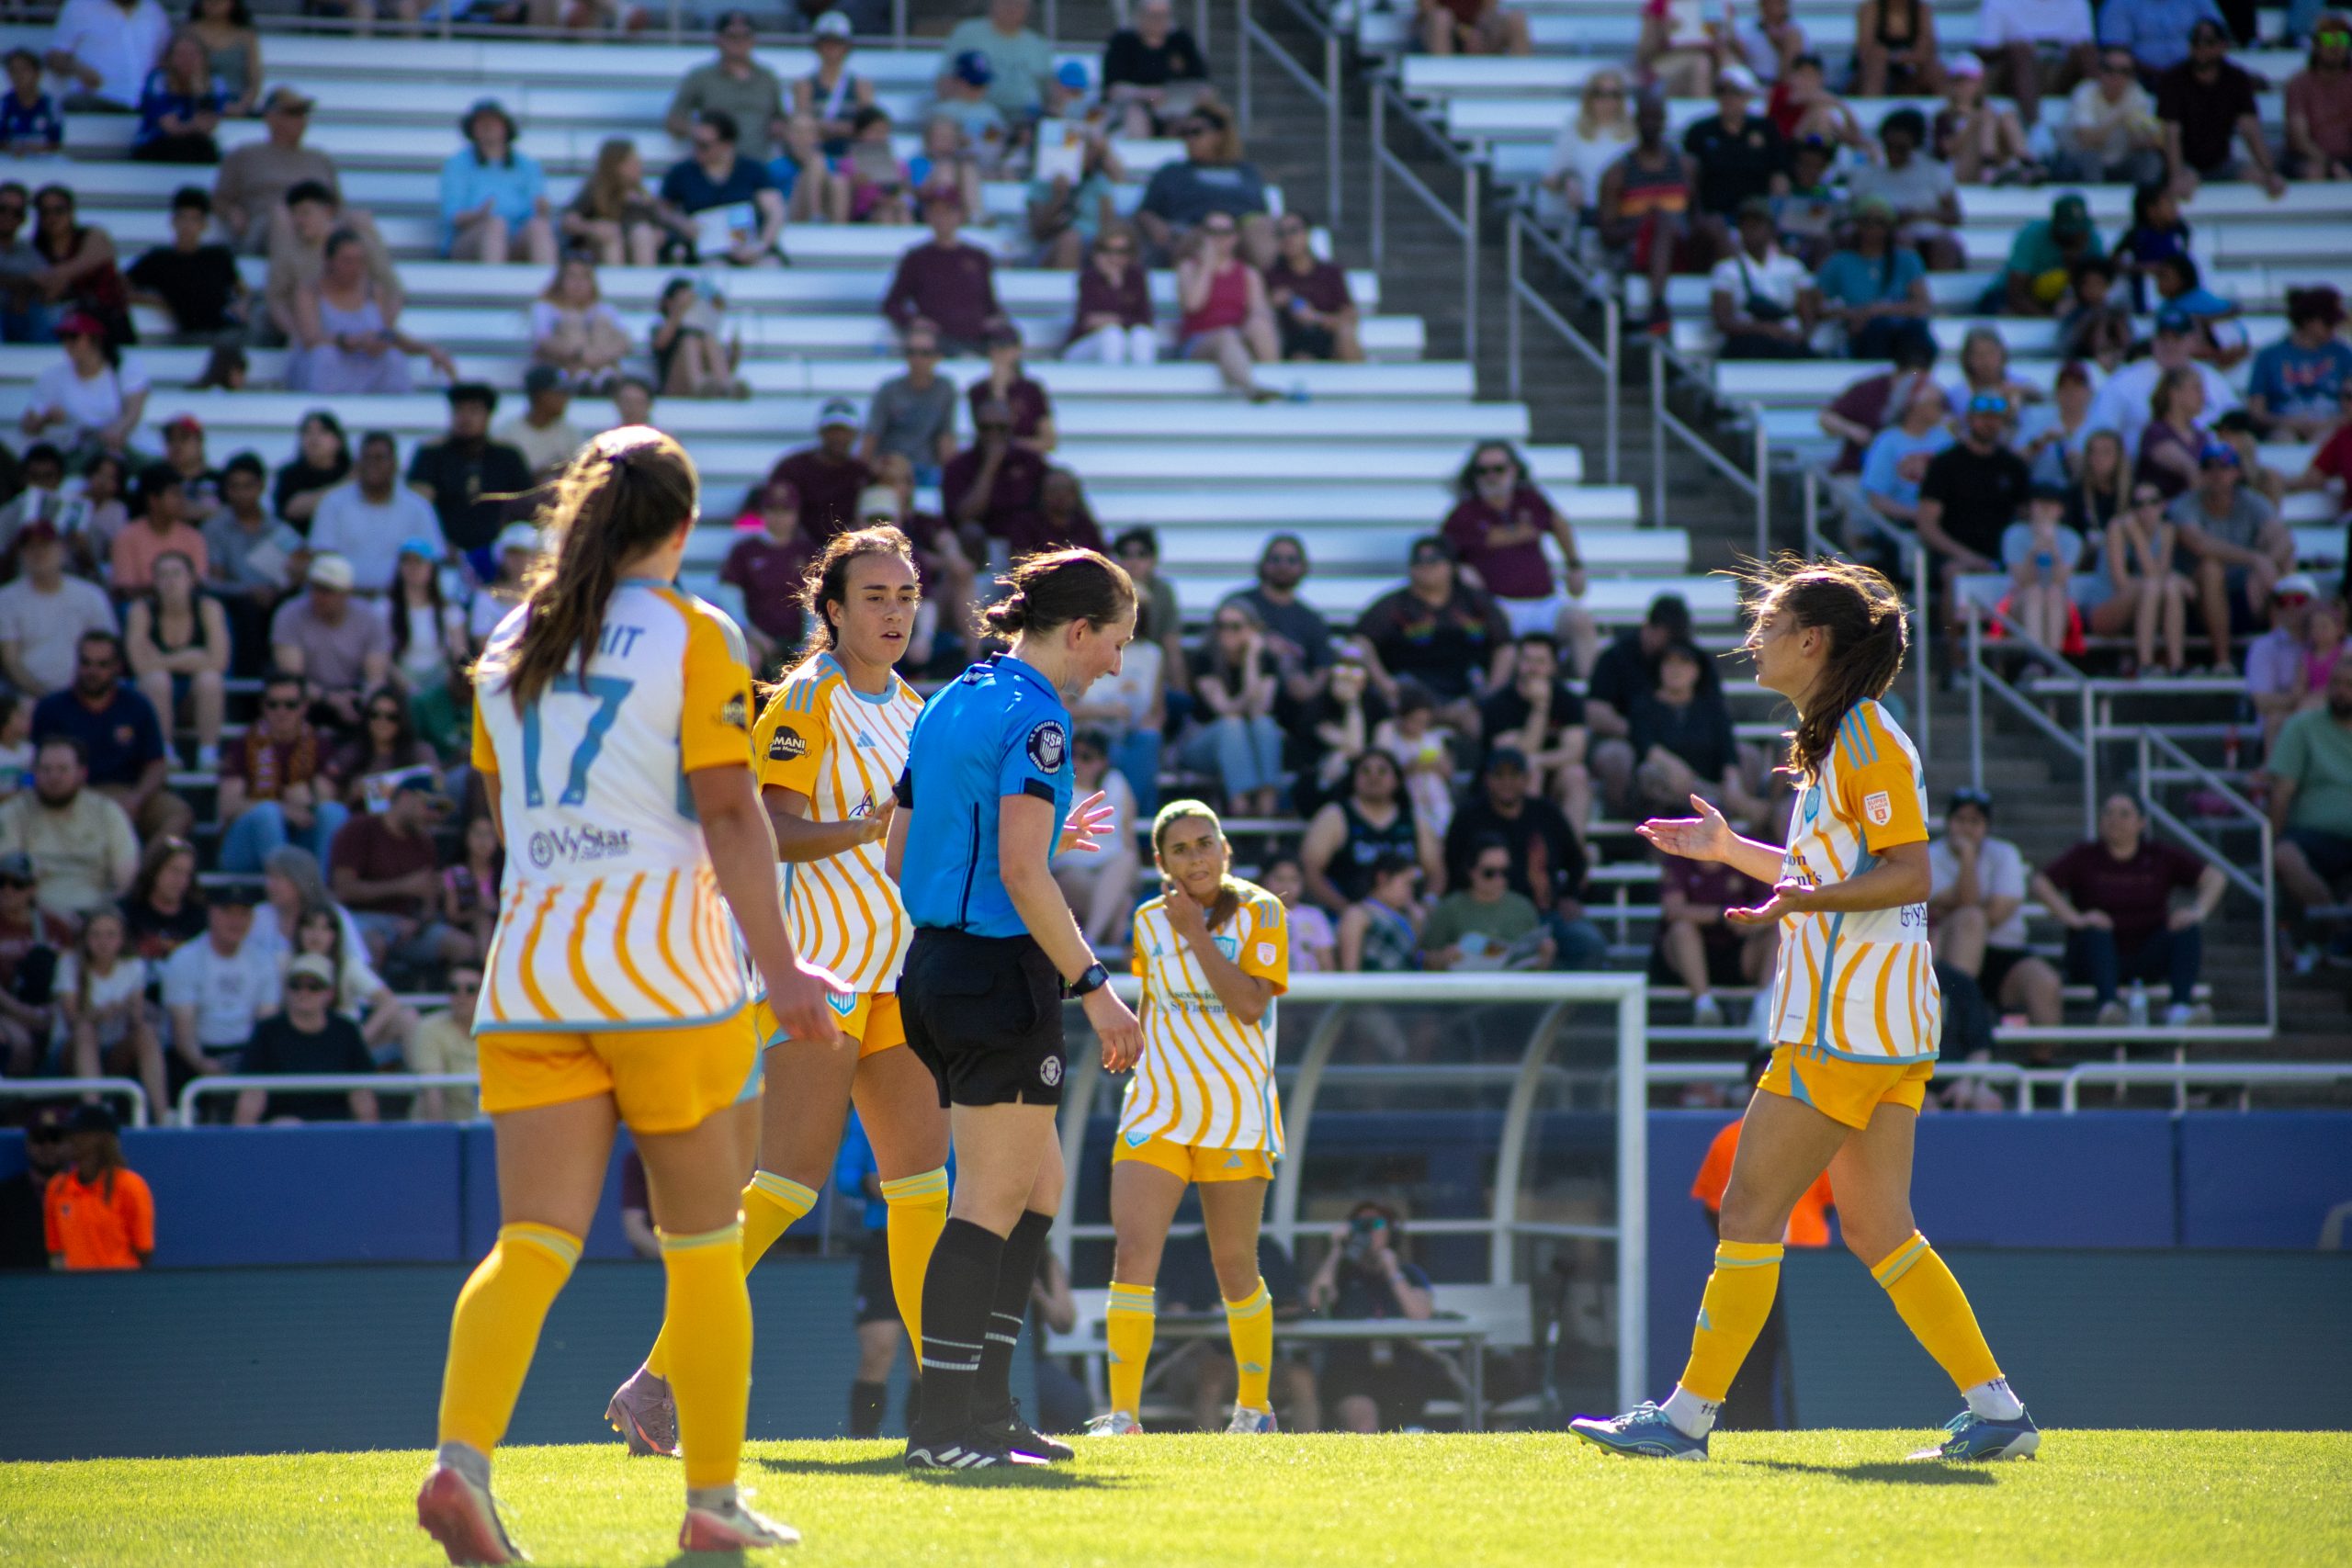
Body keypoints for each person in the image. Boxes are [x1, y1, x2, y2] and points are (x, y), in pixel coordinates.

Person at [416, 429, 841, 1561]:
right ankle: (712, 1504)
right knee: (705, 1249)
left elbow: (509, 830)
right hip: (668, 979)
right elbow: (732, 811)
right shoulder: (695, 634)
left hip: (532, 973)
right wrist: (785, 972)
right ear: (685, 526)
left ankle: (460, 1465)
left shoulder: (509, 640)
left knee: (530, 1245)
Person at [1575, 557, 2039, 1464]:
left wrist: (1796, 903)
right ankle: (1998, 1413)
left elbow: (1910, 873)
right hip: (1881, 1026)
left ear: (1812, 641)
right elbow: (1839, 876)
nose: (1755, 639)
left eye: (1770, 621)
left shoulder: (1862, 734)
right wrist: (1729, 850)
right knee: (1877, 1228)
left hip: (1845, 1026)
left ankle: (1683, 1421)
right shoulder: (1845, 739)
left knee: (1748, 1208)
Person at [606, 525, 953, 1461]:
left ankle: (951, 1411)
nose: (894, 611)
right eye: (874, 596)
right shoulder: (808, 695)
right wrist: (864, 827)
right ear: (831, 609)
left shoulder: (917, 706)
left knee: (923, 1193)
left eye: (906, 594)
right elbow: (768, 830)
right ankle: (654, 1380)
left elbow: (912, 848)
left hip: (899, 977)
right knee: (783, 1192)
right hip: (822, 975)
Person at [886, 547, 1142, 1471]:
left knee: (1037, 1190)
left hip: (936, 967)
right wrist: (1096, 989)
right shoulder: (1037, 717)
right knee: (989, 1204)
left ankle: (987, 1413)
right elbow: (1024, 874)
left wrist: (1031, 833)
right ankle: (940, 1429)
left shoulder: (952, 697)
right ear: (1078, 632)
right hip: (998, 975)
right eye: (1115, 643)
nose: (1116, 662)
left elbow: (900, 848)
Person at [1087, 799, 1291, 1437]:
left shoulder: (1262, 910)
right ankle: (1124, 1417)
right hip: (1157, 1108)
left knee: (1234, 1264)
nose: (1196, 856)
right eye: (1181, 848)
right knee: (1131, 1252)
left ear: (1225, 848)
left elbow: (1250, 1004)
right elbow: (1155, 1004)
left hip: (1235, 1114)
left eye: (1206, 843)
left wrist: (1198, 933)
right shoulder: (1148, 921)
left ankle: (1254, 1409)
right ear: (1160, 861)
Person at [1687, 1051, 1833, 1428]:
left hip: (1807, 1267)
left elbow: (1830, 1202)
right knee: (1748, 1361)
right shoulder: (1729, 1139)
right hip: (1754, 1262)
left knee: (1813, 1363)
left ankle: (1818, 1433)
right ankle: (1750, 1433)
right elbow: (1713, 1207)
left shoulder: (1817, 1135)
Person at [2032, 791, 2223, 1026]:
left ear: (2141, 822)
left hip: (2147, 954)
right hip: (2095, 956)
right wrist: (2076, 919)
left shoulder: (2159, 855)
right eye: (2108, 813)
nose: (2115, 820)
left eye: (2124, 814)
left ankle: (2180, 1009)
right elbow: (2040, 883)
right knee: (2096, 930)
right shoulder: (2084, 856)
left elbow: (2215, 877)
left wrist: (2198, 911)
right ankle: (2109, 1009)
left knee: (2187, 928)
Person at [1443, 745, 1605, 965]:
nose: (1507, 782)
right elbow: (1453, 867)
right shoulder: (1468, 818)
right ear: (1487, 779)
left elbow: (1576, 860)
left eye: (1514, 775)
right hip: (1485, 914)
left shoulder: (1545, 813)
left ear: (1527, 778)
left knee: (1589, 943)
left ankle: (1564, 1000)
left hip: (1544, 916)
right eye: (1499, 775)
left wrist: (1571, 896)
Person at [1927, 787, 2063, 1046]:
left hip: (2004, 953)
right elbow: (1972, 910)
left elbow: (1997, 913)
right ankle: (1960, 1044)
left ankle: (2043, 1071)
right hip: (1950, 956)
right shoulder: (1931, 855)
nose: (1966, 828)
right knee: (1970, 922)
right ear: (1948, 823)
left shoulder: (2005, 854)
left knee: (2045, 981)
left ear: (1986, 826)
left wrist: (1954, 904)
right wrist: (1968, 859)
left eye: (1974, 821)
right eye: (1960, 820)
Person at [1306, 1202, 1446, 1432]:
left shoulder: (1408, 1274)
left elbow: (1421, 1316)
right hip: (1351, 1367)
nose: (1369, 1230)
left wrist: (1391, 1271)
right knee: (1366, 1424)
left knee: (1404, 1429)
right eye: (1361, 1225)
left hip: (1400, 1366)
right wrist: (1336, 1251)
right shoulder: (1341, 1272)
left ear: (1391, 1232)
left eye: (1378, 1224)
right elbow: (1315, 1302)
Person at [1356, 537, 1511, 739]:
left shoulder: (1475, 601)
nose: (1425, 567)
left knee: (1482, 720)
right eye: (1418, 562)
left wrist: (1492, 690)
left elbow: (1504, 645)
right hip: (1411, 692)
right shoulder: (1394, 605)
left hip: (1467, 692)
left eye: (1434, 561)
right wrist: (1387, 686)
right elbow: (1361, 641)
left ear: (1452, 566)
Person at [32, 633, 180, 842]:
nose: (93, 671)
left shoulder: (137, 705)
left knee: (177, 814)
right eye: (86, 663)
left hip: (130, 790)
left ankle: (146, 872)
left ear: (117, 667)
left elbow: (156, 764)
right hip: (75, 793)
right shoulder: (51, 708)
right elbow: (38, 765)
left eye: (102, 664)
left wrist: (137, 797)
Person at [2170, 442, 2293, 673]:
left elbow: (2283, 538)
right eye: (2209, 467)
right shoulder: (2185, 505)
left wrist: (2267, 563)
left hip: (2248, 593)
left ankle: (2285, 658)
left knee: (2285, 558)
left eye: (2224, 467)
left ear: (2237, 472)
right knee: (2211, 569)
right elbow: (2199, 544)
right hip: (2196, 602)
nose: (2217, 474)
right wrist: (2255, 560)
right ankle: (2222, 662)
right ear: (2201, 473)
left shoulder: (2252, 502)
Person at [217, 671, 350, 874]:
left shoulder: (320, 744)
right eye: (273, 704)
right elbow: (227, 806)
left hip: (301, 837)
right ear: (263, 706)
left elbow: (330, 799)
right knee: (267, 813)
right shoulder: (242, 743)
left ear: (304, 707)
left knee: (333, 812)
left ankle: (319, 896)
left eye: (290, 705)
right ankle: (284, 895)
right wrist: (283, 809)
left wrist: (311, 800)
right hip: (247, 847)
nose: (281, 711)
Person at [2267, 650, 2352, 965]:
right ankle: (2342, 930)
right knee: (2283, 856)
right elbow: (2282, 791)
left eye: (2349, 684)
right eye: (2336, 683)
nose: (2341, 691)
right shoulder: (2302, 728)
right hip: (2312, 835)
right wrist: (2274, 838)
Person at [0, 738, 139, 927]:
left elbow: (126, 876)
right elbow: (7, 873)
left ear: (82, 773)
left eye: (63, 769)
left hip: (95, 920)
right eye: (46, 769)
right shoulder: (13, 813)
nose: (54, 777)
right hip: (34, 920)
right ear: (34, 772)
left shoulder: (107, 812)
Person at [407, 386, 536, 572]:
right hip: (441, 557)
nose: (465, 418)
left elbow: (525, 507)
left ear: (488, 415)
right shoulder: (431, 455)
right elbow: (418, 508)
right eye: (459, 410)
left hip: (498, 559)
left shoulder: (508, 457)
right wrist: (441, 546)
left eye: (474, 410)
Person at [1599, 94, 1695, 333]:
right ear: (1636, 121)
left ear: (1665, 121)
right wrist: (1646, 223)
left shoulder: (1685, 166)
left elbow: (1696, 216)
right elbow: (1607, 234)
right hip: (1639, 251)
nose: (1651, 124)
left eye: (1657, 117)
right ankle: (1657, 305)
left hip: (1683, 248)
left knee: (1714, 226)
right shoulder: (1618, 173)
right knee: (1661, 221)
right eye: (1646, 118)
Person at [2158, 19, 2288, 197]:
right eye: (2196, 42)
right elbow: (2171, 132)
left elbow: (2249, 128)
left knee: (2262, 180)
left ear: (2223, 46)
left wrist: (2269, 173)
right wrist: (2176, 175)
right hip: (2185, 164)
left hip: (2221, 162)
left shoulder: (2236, 80)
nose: (2202, 47)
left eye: (2209, 42)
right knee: (2183, 186)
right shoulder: (2173, 80)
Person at [160, 884, 274, 1085]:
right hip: (198, 1054)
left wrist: (252, 1063)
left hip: (247, 1054)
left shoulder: (263, 961)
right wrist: (201, 1063)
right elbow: (183, 1030)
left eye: (244, 914)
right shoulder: (185, 959)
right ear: (211, 914)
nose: (236, 921)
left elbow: (266, 1023)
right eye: (229, 913)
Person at [1182, 601, 1286, 818]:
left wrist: (1251, 660)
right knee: (1232, 724)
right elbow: (1227, 709)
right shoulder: (1205, 658)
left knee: (1264, 724)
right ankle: (1240, 806)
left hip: (1252, 743)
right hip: (1204, 744)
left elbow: (1261, 708)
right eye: (1221, 625)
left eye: (1236, 626)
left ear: (1253, 629)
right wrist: (1251, 662)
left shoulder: (1265, 659)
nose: (1227, 632)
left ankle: (1268, 802)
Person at [124, 550, 227, 771]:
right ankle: (164, 752)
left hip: (193, 700)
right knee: (157, 680)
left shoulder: (209, 608)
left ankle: (208, 753)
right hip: (153, 697)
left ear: (191, 579)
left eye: (176, 573)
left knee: (210, 679)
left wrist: (161, 659)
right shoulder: (141, 610)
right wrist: (191, 657)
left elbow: (219, 661)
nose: (170, 581)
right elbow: (139, 666)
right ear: (154, 582)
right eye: (162, 575)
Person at [58, 908, 163, 1122]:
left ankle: (163, 1115)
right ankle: (94, 1113)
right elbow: (71, 1021)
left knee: (146, 1033)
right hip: (70, 1052)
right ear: (85, 938)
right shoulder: (68, 963)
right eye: (95, 934)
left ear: (122, 939)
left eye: (110, 935)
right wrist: (96, 1016)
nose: (102, 942)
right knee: (85, 1032)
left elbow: (136, 1020)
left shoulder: (134, 967)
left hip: (115, 1052)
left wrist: (128, 1010)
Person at [1137, 107, 1275, 268]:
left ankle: (1273, 286)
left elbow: (1261, 211)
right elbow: (1146, 212)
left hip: (1240, 233)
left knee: (1258, 229)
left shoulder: (1246, 171)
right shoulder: (1172, 172)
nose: (1189, 139)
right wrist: (1158, 228)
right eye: (1185, 133)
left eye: (1196, 132)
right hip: (1193, 231)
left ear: (1218, 136)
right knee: (1208, 237)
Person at [1480, 631, 1590, 829]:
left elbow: (1575, 751)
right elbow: (1516, 757)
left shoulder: (1568, 700)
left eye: (1540, 662)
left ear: (1553, 666)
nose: (1532, 668)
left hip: (1552, 773)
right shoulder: (1498, 704)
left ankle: (1574, 850)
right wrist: (1540, 707)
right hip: (1504, 781)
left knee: (1576, 775)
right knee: (1529, 774)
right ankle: (1530, 845)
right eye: (1527, 660)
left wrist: (1539, 761)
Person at [311, 434, 447, 595]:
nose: (372, 465)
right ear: (358, 464)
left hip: (400, 606)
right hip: (345, 604)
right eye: (366, 458)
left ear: (395, 464)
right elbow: (322, 558)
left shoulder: (418, 508)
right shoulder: (333, 504)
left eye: (380, 458)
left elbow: (433, 559)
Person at [1654, 849, 1776, 1027]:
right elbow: (1673, 910)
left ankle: (1764, 1010)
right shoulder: (1678, 859)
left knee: (1777, 932)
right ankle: (1705, 1006)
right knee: (1682, 929)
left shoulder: (1742, 854)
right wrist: (1723, 916)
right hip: (1685, 957)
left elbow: (1772, 904)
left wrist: (1751, 920)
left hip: (1738, 951)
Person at [270, 555, 392, 731]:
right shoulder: (289, 615)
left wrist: (361, 701)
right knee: (287, 702)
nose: (318, 596)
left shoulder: (370, 618)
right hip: (309, 698)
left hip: (355, 694)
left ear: (347, 593)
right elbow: (292, 679)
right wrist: (331, 699)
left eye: (327, 590)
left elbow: (375, 678)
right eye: (314, 588)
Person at [211, 87, 336, 253]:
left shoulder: (320, 159)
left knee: (360, 221)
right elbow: (219, 199)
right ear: (271, 118)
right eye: (292, 113)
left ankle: (379, 277)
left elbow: (336, 206)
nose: (301, 119)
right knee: (282, 218)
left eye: (303, 113)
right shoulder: (244, 155)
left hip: (317, 228)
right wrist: (232, 212)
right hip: (266, 226)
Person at [1682, 69, 1789, 263]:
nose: (1729, 97)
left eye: (1735, 91)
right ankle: (1741, 278)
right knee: (1715, 228)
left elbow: (1779, 176)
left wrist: (1775, 214)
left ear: (1748, 96)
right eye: (1723, 91)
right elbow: (1689, 178)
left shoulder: (1765, 129)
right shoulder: (1699, 132)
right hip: (1717, 214)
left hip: (1757, 212)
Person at [0, 524, 117, 698]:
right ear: (22, 554)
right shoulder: (6, 599)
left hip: (88, 692)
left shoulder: (91, 595)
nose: (38, 553)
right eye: (31, 547)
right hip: (28, 695)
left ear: (61, 549)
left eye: (45, 545)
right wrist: (46, 698)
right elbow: (11, 661)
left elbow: (107, 650)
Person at [2091, 479, 2194, 674]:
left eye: (2153, 502)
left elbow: (2160, 574)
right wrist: (2138, 537)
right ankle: (2145, 663)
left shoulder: (2166, 530)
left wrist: (2175, 579)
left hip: (2147, 604)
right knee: (2154, 586)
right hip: (2107, 606)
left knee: (2170, 587)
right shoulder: (2118, 528)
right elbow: (2121, 583)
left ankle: (2177, 664)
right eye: (2139, 504)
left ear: (2163, 505)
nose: (2146, 509)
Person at [881, 190, 1002, 355]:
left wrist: (995, 319)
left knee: (1007, 340)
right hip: (939, 338)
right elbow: (892, 304)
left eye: (948, 211)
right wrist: (913, 322)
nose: (942, 218)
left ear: (959, 215)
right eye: (936, 212)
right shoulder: (917, 258)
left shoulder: (978, 257)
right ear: (928, 216)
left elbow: (990, 303)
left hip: (978, 336)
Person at [662, 109, 786, 267]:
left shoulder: (752, 170)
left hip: (748, 246)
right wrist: (681, 223)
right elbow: (663, 209)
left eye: (704, 145)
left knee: (769, 267)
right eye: (694, 143)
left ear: (726, 144)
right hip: (704, 250)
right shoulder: (681, 172)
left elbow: (775, 211)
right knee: (715, 269)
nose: (697, 150)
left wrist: (761, 245)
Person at [439, 98, 555, 266]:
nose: (488, 127)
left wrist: (543, 209)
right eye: (481, 123)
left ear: (505, 127)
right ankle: (494, 286)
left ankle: (549, 289)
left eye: (493, 122)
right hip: (471, 238)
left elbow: (537, 206)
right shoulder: (457, 164)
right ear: (472, 129)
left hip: (516, 239)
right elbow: (453, 215)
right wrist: (478, 215)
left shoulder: (527, 165)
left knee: (539, 228)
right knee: (495, 226)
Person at [1175, 211, 1278, 400]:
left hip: (1237, 337)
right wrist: (1207, 265)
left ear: (1235, 237)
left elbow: (1259, 310)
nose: (1219, 238)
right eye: (1212, 232)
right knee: (1226, 336)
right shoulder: (1189, 268)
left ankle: (1275, 382)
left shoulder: (1248, 273)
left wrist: (1254, 325)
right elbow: (1192, 305)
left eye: (1225, 232)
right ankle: (1250, 387)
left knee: (1260, 326)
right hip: (1199, 340)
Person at [1815, 199, 1932, 362]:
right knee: (1876, 331)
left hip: (1902, 331)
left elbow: (1921, 305)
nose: (1872, 228)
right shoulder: (1838, 262)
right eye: (1865, 222)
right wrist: (1851, 314)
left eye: (1880, 222)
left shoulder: (1907, 260)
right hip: (1859, 333)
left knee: (1913, 332)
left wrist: (1875, 311)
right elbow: (1818, 307)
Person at [19, 314, 146, 464]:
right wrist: (46, 419)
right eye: (63, 337)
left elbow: (133, 411)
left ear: (95, 339)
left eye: (74, 337)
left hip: (121, 448)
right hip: (79, 452)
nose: (67, 343)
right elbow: (28, 424)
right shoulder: (53, 376)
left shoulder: (124, 366)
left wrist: (118, 430)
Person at [667, 11, 786, 164]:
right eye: (732, 37)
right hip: (715, 165)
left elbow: (780, 117)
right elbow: (673, 120)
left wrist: (778, 127)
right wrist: (699, 133)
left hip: (758, 164)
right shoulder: (701, 77)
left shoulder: (767, 78)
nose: (738, 42)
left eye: (745, 36)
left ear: (753, 40)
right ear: (718, 40)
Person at [43, 1105, 153, 1271]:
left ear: (100, 1138)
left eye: (78, 1133)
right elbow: (57, 1251)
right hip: (75, 1290)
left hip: (121, 1287)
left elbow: (143, 1250)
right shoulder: (57, 1187)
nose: (69, 1140)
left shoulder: (130, 1185)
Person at [126, 186, 243, 341]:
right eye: (183, 218)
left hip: (226, 331)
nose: (187, 226)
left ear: (204, 225)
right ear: (173, 221)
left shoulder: (218, 256)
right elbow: (120, 286)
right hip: (190, 335)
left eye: (195, 219)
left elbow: (241, 288)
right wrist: (156, 301)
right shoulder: (159, 259)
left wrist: (242, 304)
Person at [1422, 836, 1555, 971]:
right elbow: (1423, 959)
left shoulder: (1523, 907)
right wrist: (1443, 958)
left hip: (1514, 988)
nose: (1499, 879)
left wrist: (1545, 957)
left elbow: (1533, 964)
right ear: (1471, 871)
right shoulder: (1450, 909)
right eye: (1489, 873)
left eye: (1505, 872)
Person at [1709, 197, 1817, 360]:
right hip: (1747, 343)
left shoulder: (1793, 267)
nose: (1751, 229)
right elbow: (1723, 320)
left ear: (1771, 229)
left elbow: (1807, 315)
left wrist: (1801, 336)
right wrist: (1764, 329)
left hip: (1787, 340)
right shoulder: (1725, 270)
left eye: (1757, 224)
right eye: (1745, 224)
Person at [564, 139, 689, 268]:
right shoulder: (595, 191)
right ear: (616, 165)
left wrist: (661, 234)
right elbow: (569, 221)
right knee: (612, 236)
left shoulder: (644, 198)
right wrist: (592, 228)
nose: (638, 166)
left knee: (642, 233)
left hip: (639, 246)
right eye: (631, 162)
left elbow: (663, 224)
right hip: (606, 249)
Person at [2248, 288, 2352, 442]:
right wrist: (2289, 423)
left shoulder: (2342, 354)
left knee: (2327, 440)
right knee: (2282, 440)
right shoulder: (2269, 356)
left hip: (2330, 425)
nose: (2334, 328)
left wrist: (2327, 423)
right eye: (2328, 322)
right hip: (2282, 426)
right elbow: (2256, 411)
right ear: (2308, 321)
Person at [1540, 71, 1636, 236]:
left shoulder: (1634, 133)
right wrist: (1567, 179)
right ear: (1589, 97)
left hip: (1626, 211)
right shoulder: (1573, 130)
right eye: (1600, 94)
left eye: (1614, 95)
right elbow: (1551, 177)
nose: (1607, 101)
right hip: (1586, 211)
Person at [1976, 0, 2096, 129]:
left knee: (2087, 51)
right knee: (2020, 52)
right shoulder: (1999, 3)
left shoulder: (2076, 3)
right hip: (2013, 77)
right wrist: (2020, 47)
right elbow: (1986, 49)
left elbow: (2084, 44)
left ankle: (2098, 119)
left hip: (2059, 75)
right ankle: (2035, 128)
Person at [941, 0, 1066, 123]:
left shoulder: (1038, 45)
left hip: (1024, 121)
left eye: (1019, 4)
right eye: (1007, 2)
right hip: (977, 117)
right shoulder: (967, 34)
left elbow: (1049, 93)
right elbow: (945, 81)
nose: (1012, 8)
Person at [1102, 0, 1211, 138]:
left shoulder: (1182, 42)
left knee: (1188, 121)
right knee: (1135, 116)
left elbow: (1202, 83)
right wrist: (1147, 94)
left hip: (1173, 108)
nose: (1159, 21)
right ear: (1140, 15)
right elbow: (1113, 89)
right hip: (1133, 106)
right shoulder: (1122, 42)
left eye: (1163, 15)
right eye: (1153, 15)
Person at [2059, 47, 2167, 185]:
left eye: (2124, 71)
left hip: (2120, 163)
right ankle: (2096, 203)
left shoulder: (2137, 95)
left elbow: (2141, 141)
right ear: (2100, 72)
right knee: (2090, 158)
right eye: (2109, 69)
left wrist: (2148, 137)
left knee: (2151, 160)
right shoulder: (2086, 93)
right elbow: (2086, 140)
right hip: (2080, 163)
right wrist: (2120, 115)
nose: (2116, 76)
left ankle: (2145, 204)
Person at [863, 327, 959, 479]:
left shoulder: (944, 389)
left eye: (925, 353)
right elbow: (872, 434)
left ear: (938, 357)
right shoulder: (888, 390)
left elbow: (945, 435)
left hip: (927, 468)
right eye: (911, 352)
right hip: (891, 466)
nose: (917, 358)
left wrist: (952, 477)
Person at [1860, 379, 1953, 527]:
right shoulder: (1887, 441)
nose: (1942, 409)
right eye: (1937, 404)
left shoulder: (1945, 439)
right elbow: (1876, 499)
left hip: (1942, 521)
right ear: (1915, 406)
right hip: (1900, 523)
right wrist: (1918, 515)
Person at [130, 30, 226, 164]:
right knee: (178, 148)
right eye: (180, 55)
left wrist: (199, 90)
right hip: (157, 143)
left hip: (196, 144)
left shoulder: (215, 83)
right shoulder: (158, 80)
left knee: (204, 149)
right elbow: (170, 128)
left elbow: (206, 127)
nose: (187, 60)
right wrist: (194, 125)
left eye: (193, 54)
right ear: (170, 58)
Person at [119, 833, 206, 965]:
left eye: (186, 874)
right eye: (174, 871)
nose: (180, 881)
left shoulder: (199, 918)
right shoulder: (127, 912)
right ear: (155, 870)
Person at [2286, 14, 2352, 179]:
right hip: (2308, 158)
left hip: (2348, 157)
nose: (2336, 45)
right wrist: (2331, 165)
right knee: (2314, 172)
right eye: (2329, 39)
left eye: (2342, 39)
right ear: (2316, 44)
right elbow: (2299, 139)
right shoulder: (2300, 83)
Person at [1334, 852, 1423, 971]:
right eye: (1406, 883)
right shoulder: (1358, 914)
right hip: (1376, 987)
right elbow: (1350, 969)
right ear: (1383, 878)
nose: (1410, 891)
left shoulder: (1408, 916)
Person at [498, 367, 585, 479]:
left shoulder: (571, 432)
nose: (565, 399)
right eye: (559, 393)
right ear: (539, 395)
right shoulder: (507, 433)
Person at [1852, 0, 1940, 96]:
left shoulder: (1921, 10)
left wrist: (1898, 58)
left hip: (1910, 67)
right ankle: (1871, 104)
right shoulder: (1870, 9)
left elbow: (1926, 49)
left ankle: (1947, 107)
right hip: (1872, 69)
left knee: (1934, 71)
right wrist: (1892, 57)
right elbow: (1866, 49)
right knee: (1876, 66)